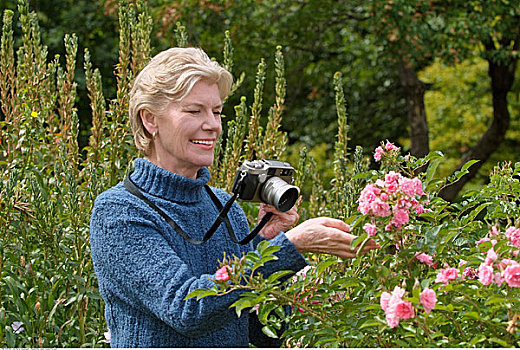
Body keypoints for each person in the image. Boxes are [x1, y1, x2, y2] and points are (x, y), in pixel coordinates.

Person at [89, 47, 379, 348]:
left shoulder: (225, 208)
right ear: (150, 119)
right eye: (194, 110)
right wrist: (291, 247)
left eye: (216, 112)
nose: (213, 125)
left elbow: (265, 333)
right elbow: (188, 309)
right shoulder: (119, 212)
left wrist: (270, 248)